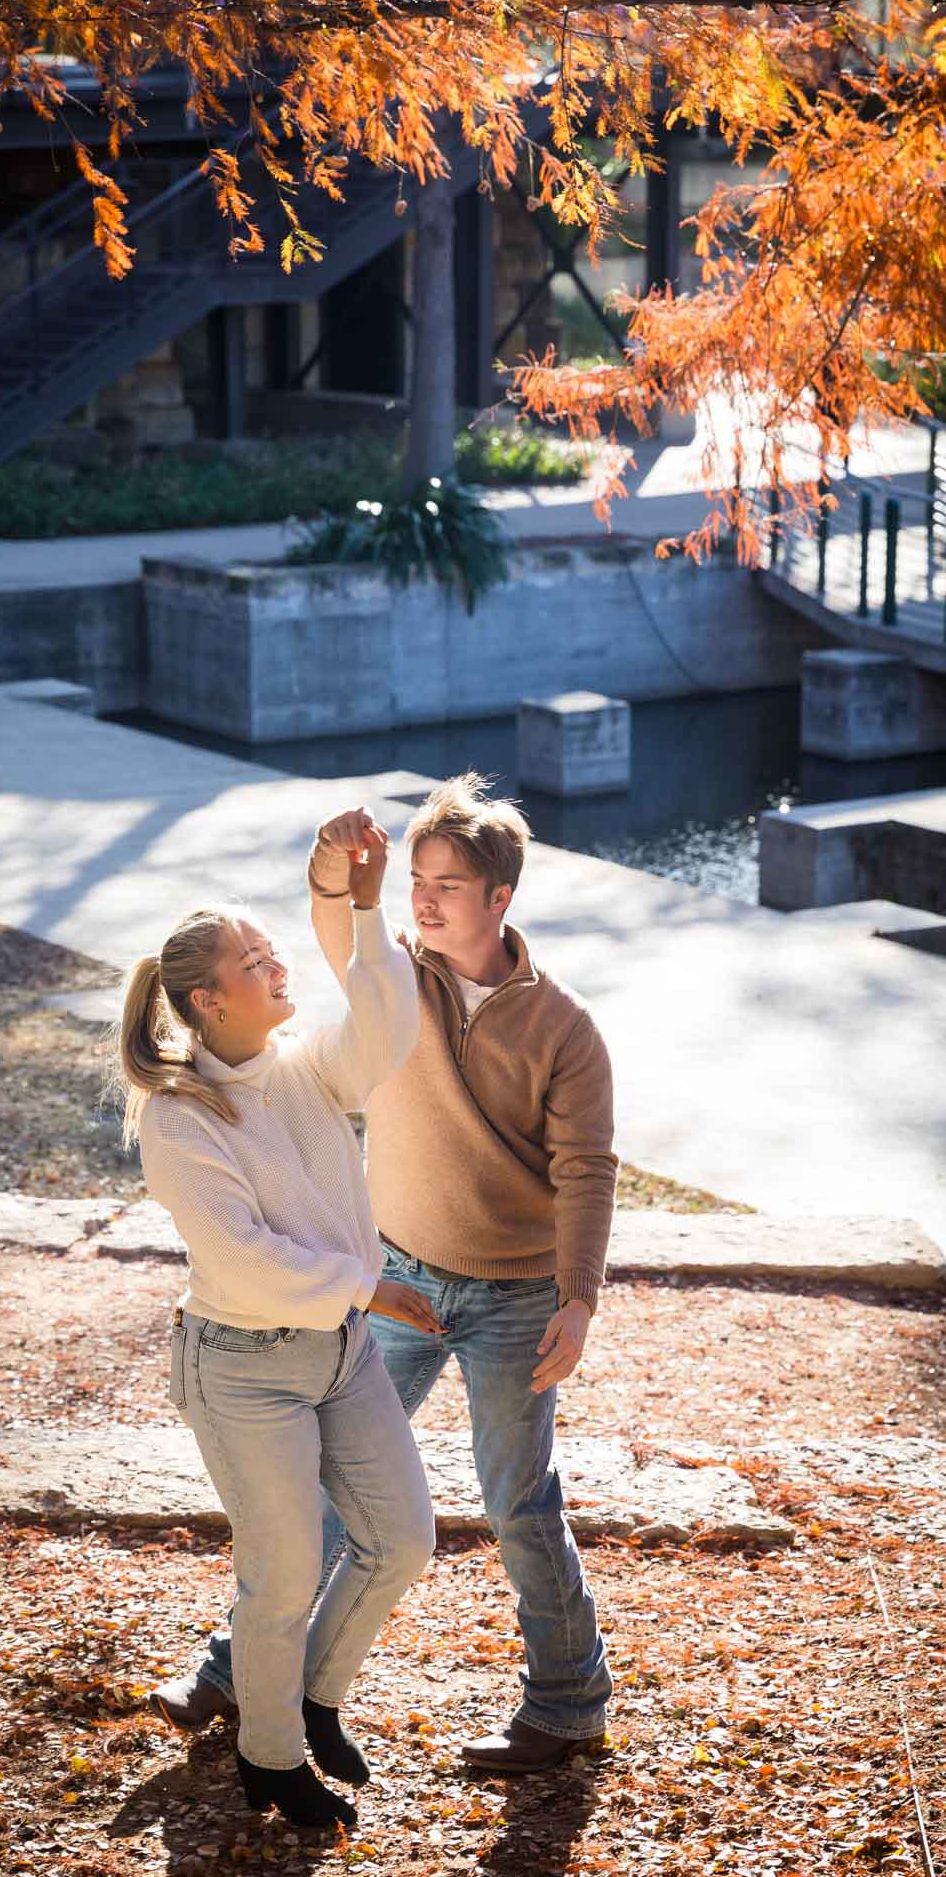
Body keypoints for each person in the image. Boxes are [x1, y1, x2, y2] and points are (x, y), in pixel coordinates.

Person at [151, 774, 618, 1775]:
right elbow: (336, 912)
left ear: (500, 896)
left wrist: (576, 1297)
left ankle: (569, 1703)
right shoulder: (392, 982)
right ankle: (237, 1670)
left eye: (450, 882)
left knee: (518, 1500)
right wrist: (334, 862)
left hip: (514, 1293)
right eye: (418, 878)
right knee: (322, 1488)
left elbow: (587, 1166)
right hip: (391, 1276)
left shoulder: (563, 1025)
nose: (426, 898)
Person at [121, 820, 446, 1830]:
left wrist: (359, 903)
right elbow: (244, 1260)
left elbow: (388, 1023)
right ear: (209, 1000)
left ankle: (310, 1694)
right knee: (283, 1569)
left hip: (339, 1355)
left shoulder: (304, 1064)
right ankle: (268, 1757)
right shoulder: (176, 1117)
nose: (276, 965)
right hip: (244, 1368)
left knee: (402, 1539)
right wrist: (367, 1285)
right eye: (255, 961)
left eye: (274, 951)